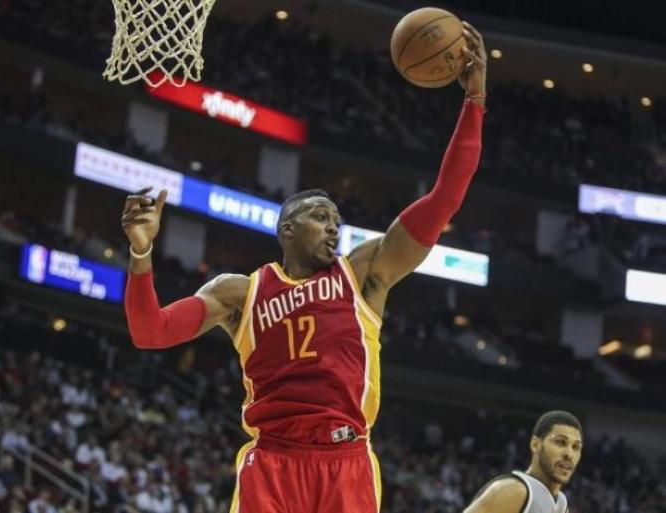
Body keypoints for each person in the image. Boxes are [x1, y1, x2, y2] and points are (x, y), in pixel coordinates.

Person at [122, 22, 487, 513]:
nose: (334, 228)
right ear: (287, 229)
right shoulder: (239, 293)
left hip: (347, 460)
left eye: (337, 220)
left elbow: (445, 199)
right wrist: (141, 254)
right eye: (320, 217)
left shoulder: (363, 273)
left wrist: (474, 100)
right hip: (272, 462)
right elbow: (150, 332)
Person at [463, 411, 583, 513]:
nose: (569, 454)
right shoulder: (513, 490)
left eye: (576, 447)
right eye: (560, 442)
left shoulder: (561, 503)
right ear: (535, 444)